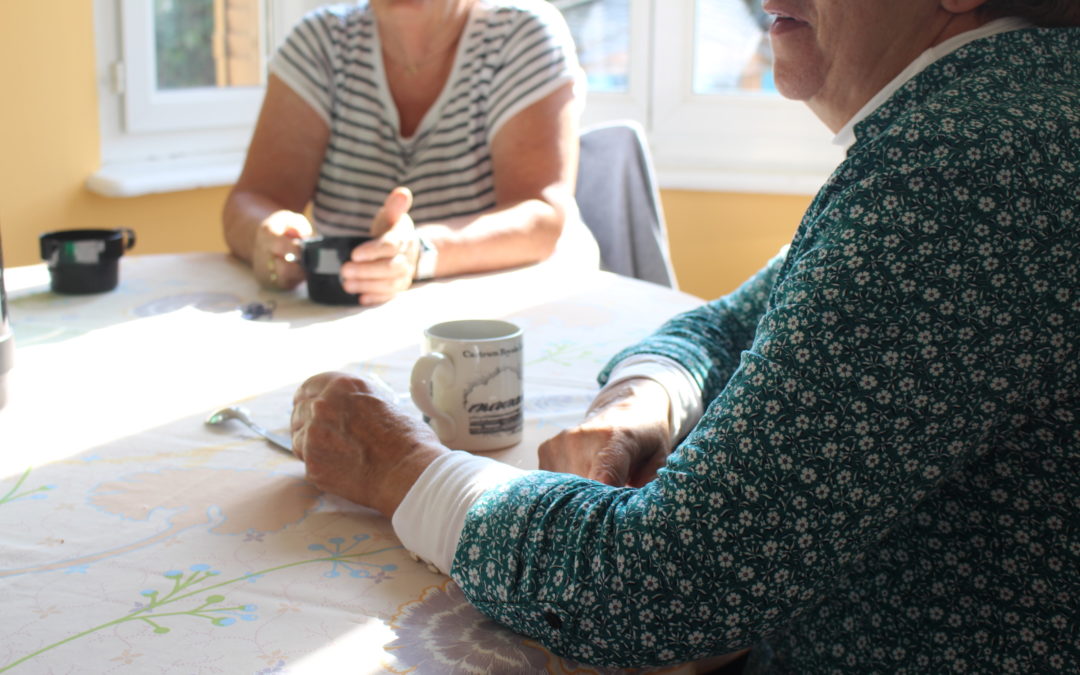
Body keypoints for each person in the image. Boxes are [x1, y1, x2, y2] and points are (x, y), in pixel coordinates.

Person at [290, 0, 1080, 672]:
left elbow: (657, 586)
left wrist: (404, 469)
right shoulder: (1000, 113)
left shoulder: (958, 167)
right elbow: (734, 318)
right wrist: (646, 401)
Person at [223, 0, 597, 305]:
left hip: (506, 315)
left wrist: (419, 253)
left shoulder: (521, 35)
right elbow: (251, 200)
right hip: (353, 319)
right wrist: (267, 237)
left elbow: (542, 217)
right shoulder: (320, 42)